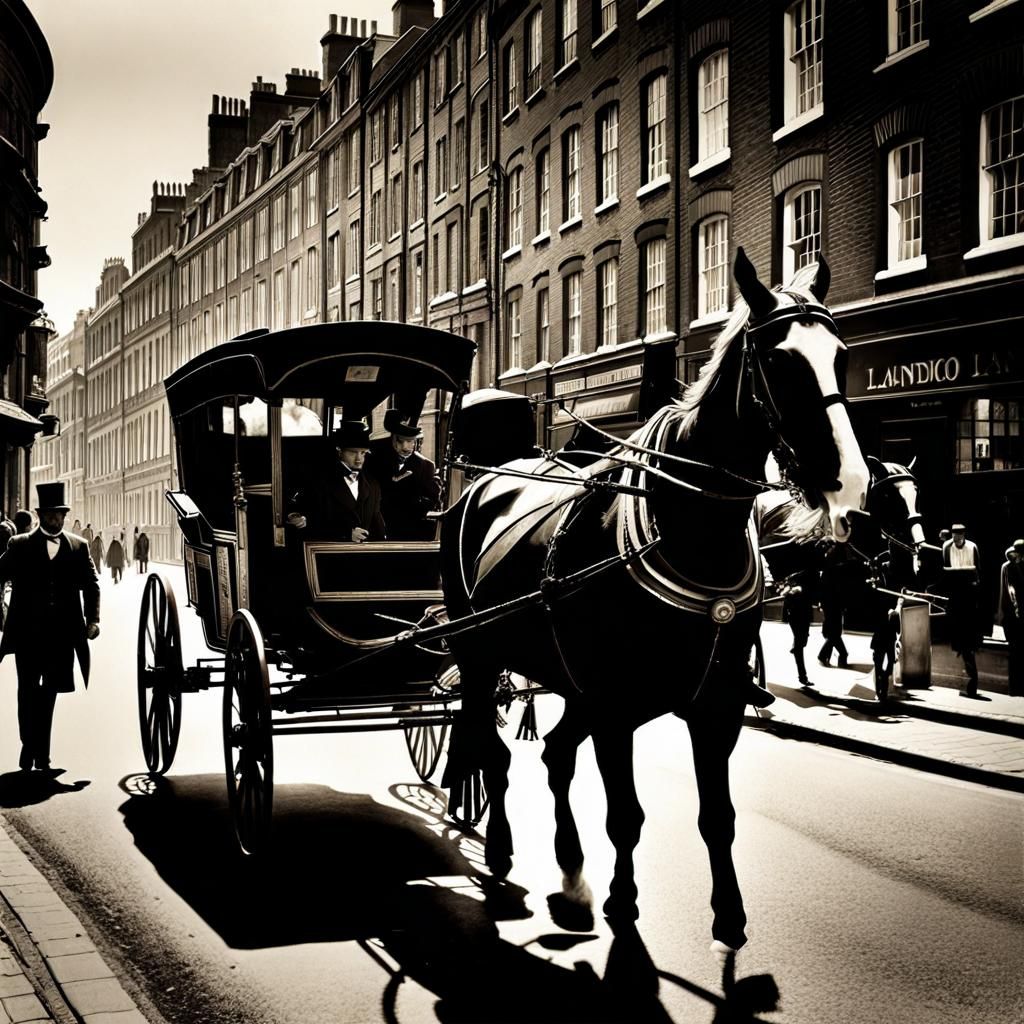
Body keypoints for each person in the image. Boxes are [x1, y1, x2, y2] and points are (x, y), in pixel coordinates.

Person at [0, 482, 100, 772]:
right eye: (50, 514)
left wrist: (93, 620)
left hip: (62, 636)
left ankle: (41, 752)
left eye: (60, 514)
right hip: (27, 634)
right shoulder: (19, 545)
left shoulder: (78, 547)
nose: (56, 519)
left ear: (65, 516)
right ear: (41, 515)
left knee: (50, 693)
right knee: (27, 692)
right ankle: (28, 743)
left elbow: (92, 585)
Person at [287, 420, 385, 542]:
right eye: (353, 453)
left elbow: (377, 524)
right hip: (328, 550)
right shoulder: (319, 482)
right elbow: (309, 522)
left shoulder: (373, 485)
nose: (359, 459)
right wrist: (346, 533)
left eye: (363, 453)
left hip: (363, 552)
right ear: (340, 451)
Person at [366, 411, 442, 541]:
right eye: (400, 441)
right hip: (377, 531)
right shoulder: (374, 460)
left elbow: (431, 500)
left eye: (410, 441)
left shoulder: (425, 466)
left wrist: (413, 504)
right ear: (392, 438)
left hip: (410, 532)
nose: (406, 447)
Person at [942, 523, 982, 698]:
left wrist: (974, 585)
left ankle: (971, 674)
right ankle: (964, 651)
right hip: (955, 593)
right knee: (958, 633)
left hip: (969, 594)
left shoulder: (972, 547)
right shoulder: (947, 547)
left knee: (967, 636)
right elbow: (945, 569)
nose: (955, 539)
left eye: (958, 536)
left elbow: (977, 570)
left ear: (963, 535)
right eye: (953, 535)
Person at [781, 569, 819, 687]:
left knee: (803, 640)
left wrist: (802, 589)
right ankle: (803, 676)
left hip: (804, 614)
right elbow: (785, 595)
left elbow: (814, 593)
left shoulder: (810, 576)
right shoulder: (792, 578)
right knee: (800, 643)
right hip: (794, 614)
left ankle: (796, 646)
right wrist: (788, 590)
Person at [817, 544, 850, 668]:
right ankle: (834, 655)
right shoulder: (836, 569)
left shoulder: (828, 568)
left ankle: (828, 655)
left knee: (832, 631)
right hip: (834, 603)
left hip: (830, 602)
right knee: (834, 632)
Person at [998, 539, 1024, 696]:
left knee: (1018, 652)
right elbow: (1010, 590)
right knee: (1015, 652)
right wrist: (1016, 609)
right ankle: (1015, 688)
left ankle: (1018, 687)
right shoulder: (1008, 567)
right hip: (1013, 617)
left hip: (1016, 615)